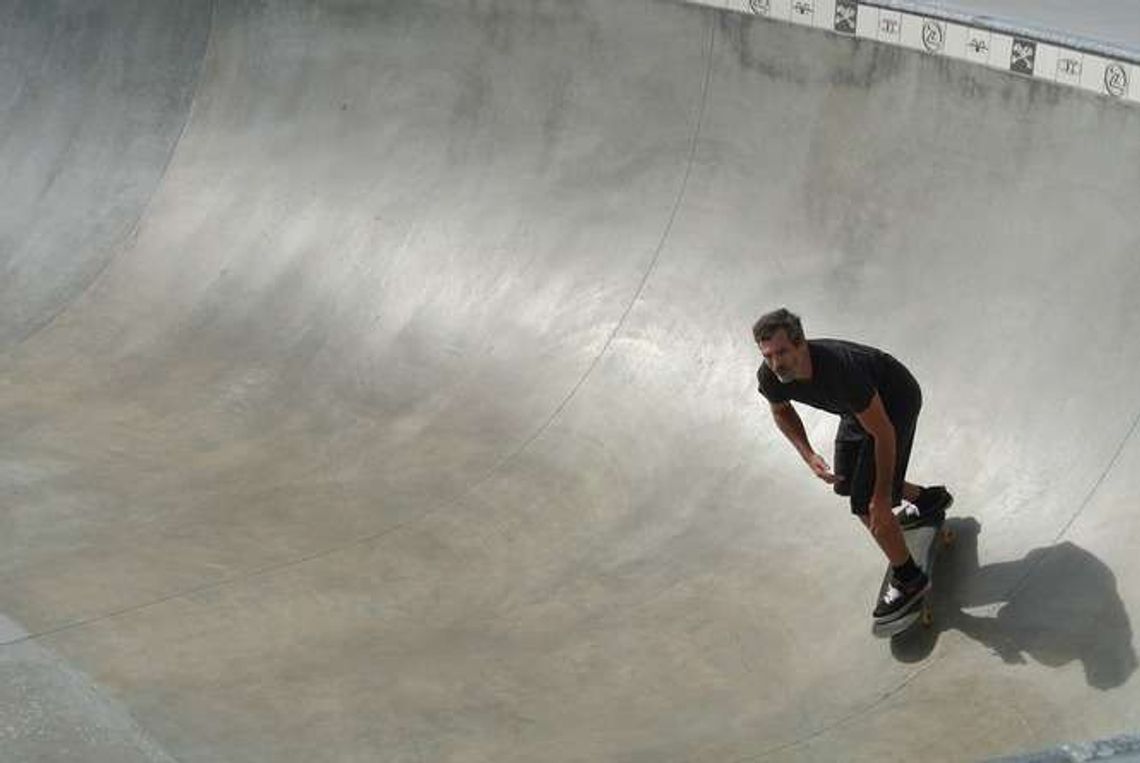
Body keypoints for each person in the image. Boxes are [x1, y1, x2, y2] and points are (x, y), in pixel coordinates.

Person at [753, 307, 953, 622]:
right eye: (768, 355)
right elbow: (781, 411)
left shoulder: (842, 370)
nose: (776, 363)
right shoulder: (771, 376)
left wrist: (883, 499)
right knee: (848, 482)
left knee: (868, 504)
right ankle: (927, 500)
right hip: (856, 411)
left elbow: (884, 434)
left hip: (895, 400)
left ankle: (909, 578)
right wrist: (808, 454)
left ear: (801, 343)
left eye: (782, 353)